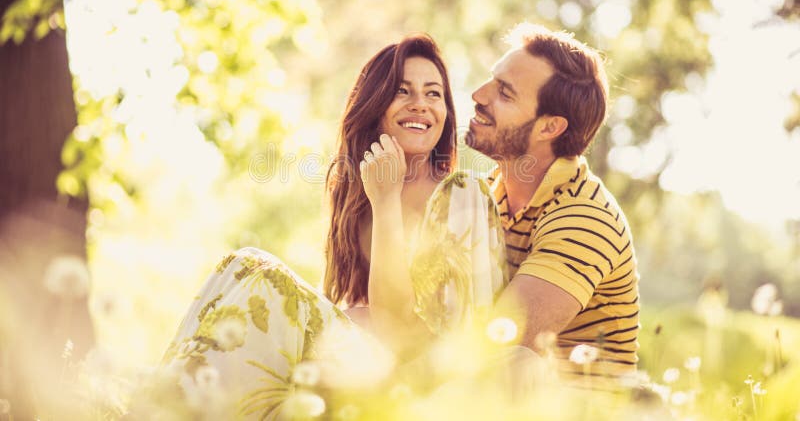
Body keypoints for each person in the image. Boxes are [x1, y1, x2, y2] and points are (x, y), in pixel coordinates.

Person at [155, 35, 507, 418]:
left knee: (257, 272)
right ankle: (160, 407)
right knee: (233, 270)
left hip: (410, 388)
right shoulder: (359, 195)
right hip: (351, 368)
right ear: (375, 109)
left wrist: (385, 203)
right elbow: (351, 303)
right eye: (402, 92)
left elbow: (413, 331)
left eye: (434, 93)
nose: (420, 104)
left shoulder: (462, 193)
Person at [467, 23, 639, 388]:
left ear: (549, 128)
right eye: (489, 80)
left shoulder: (585, 218)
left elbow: (498, 341)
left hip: (582, 412)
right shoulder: (483, 195)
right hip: (492, 403)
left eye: (505, 93)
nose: (478, 95)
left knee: (515, 362)